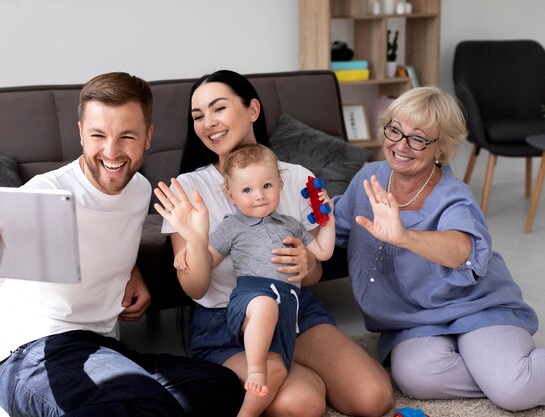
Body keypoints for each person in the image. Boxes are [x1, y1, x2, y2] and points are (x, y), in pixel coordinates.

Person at [0, 72, 244, 417]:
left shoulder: (140, 190)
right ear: (81, 134)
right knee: (140, 401)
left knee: (219, 385)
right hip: (30, 352)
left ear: (148, 137)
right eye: (98, 135)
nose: (112, 152)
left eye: (127, 136)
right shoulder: (45, 194)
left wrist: (132, 273)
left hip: (103, 347)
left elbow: (106, 233)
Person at [160, 69, 394, 417]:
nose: (208, 122)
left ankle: (302, 365)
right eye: (198, 115)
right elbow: (195, 288)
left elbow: (312, 275)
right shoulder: (189, 189)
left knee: (374, 399)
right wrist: (195, 241)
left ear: (252, 109)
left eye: (218, 108)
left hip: (293, 308)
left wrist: (307, 263)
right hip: (226, 322)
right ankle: (297, 375)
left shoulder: (299, 179)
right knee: (302, 405)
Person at [332, 86, 545, 412]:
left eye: (418, 139)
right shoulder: (369, 179)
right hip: (415, 321)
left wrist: (404, 236)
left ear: (441, 150)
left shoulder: (452, 195)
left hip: (477, 309)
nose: (401, 145)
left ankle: (509, 376)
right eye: (395, 130)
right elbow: (337, 226)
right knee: (415, 377)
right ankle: (498, 370)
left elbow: (463, 248)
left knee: (514, 391)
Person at [155, 144, 335, 416]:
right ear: (231, 195)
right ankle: (254, 368)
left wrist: (328, 218)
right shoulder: (233, 225)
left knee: (277, 366)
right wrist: (192, 247)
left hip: (287, 308)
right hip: (250, 296)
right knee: (264, 307)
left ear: (280, 184)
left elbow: (323, 252)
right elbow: (208, 259)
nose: (259, 196)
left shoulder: (291, 224)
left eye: (266, 186)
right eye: (247, 190)